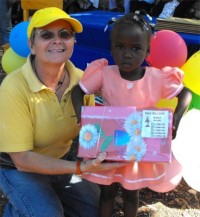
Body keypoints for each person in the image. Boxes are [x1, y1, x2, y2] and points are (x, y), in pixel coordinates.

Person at [0, 7, 126, 217]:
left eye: (65, 34)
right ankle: (20, 206)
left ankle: (40, 196)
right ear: (31, 45)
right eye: (46, 35)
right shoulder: (12, 89)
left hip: (60, 160)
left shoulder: (83, 80)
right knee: (47, 214)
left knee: (95, 210)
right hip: (17, 167)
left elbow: (94, 131)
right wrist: (79, 167)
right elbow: (22, 159)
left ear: (73, 42)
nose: (57, 40)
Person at [71, 11, 192, 217]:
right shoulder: (104, 73)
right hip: (108, 147)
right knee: (107, 192)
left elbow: (185, 94)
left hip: (139, 148)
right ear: (112, 48)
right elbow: (78, 91)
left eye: (136, 48)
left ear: (147, 52)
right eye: (120, 47)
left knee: (131, 194)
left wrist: (176, 120)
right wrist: (82, 116)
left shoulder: (157, 77)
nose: (127, 54)